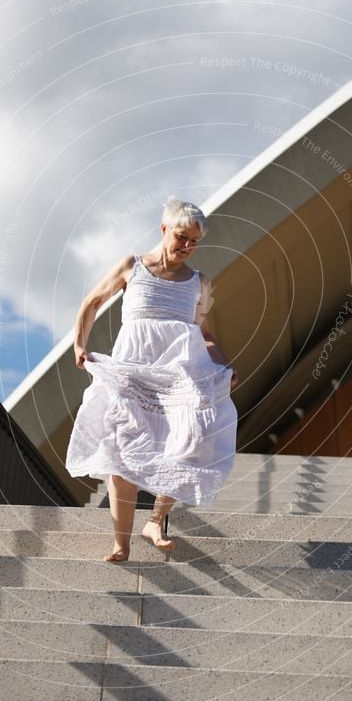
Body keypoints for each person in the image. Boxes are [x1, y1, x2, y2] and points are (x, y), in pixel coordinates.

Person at [65, 197, 239, 563]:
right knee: (121, 446)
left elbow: (204, 332)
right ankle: (121, 543)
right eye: (181, 237)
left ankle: (156, 521)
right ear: (163, 230)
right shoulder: (133, 267)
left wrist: (225, 365)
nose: (187, 247)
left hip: (179, 373)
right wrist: (80, 345)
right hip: (132, 370)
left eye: (194, 241)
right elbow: (92, 301)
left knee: (193, 438)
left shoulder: (198, 282)